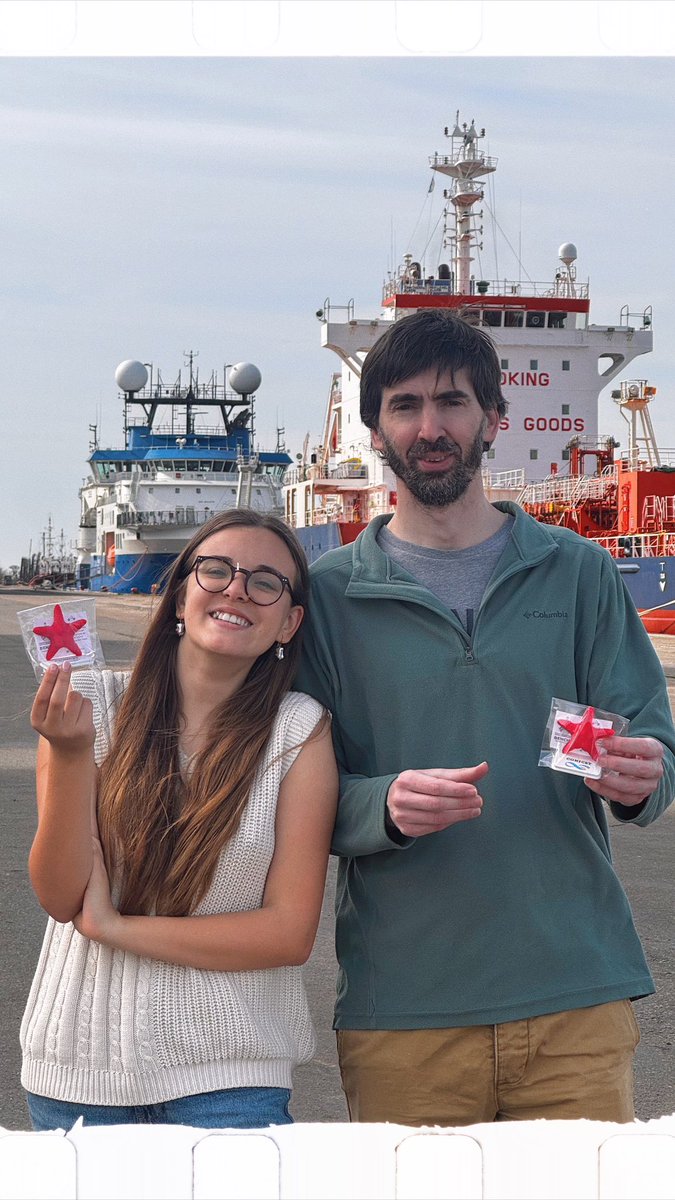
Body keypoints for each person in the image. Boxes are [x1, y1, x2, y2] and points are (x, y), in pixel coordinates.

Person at [295, 308, 675, 1127]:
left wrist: (642, 775)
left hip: (575, 998)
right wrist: (380, 804)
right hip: (405, 1011)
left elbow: (653, 741)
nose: (429, 427)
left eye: (452, 402)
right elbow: (292, 791)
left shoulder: (579, 573)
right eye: (404, 405)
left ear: (493, 418)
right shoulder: (325, 597)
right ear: (375, 431)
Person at [22, 510, 337, 1131]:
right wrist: (71, 753)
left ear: (289, 622)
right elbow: (60, 896)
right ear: (179, 596)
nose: (237, 589)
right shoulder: (89, 707)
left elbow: (287, 933)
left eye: (265, 582)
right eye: (216, 570)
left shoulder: (299, 731)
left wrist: (117, 929)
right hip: (77, 1076)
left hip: (231, 1081)